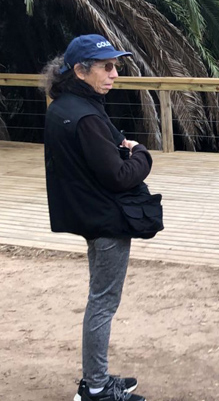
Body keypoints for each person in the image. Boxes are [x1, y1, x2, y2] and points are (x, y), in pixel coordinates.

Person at [42, 35, 152, 401]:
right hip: (106, 219)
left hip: (87, 213)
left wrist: (121, 150)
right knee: (103, 303)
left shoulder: (63, 105)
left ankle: (97, 378)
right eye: (106, 67)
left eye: (115, 66)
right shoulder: (87, 116)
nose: (114, 74)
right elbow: (119, 175)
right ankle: (96, 387)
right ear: (80, 70)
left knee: (99, 298)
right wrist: (142, 154)